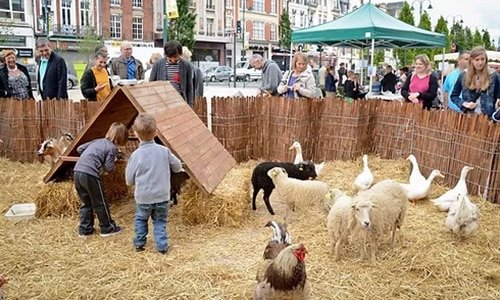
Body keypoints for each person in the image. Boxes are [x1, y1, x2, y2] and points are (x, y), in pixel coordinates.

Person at [125, 113, 182, 254]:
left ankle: (139, 244)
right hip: (162, 196)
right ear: (156, 132)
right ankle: (162, 247)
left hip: (143, 197)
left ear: (135, 134)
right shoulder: (164, 151)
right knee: (160, 222)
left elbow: (129, 180)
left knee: (141, 220)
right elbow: (177, 166)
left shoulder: (136, 155)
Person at [74, 122, 128, 237]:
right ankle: (107, 228)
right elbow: (109, 168)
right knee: (100, 202)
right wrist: (113, 159)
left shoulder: (98, 141)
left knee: (86, 202)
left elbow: (79, 149)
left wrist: (93, 155)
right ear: (121, 137)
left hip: (77, 171)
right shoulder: (112, 148)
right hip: (90, 174)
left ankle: (85, 230)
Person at [451, 46, 500, 118]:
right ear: (471, 60)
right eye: (477, 60)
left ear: (486, 59)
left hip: (488, 119)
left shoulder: (494, 75)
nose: (480, 63)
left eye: (482, 59)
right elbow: (453, 96)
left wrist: (496, 114)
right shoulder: (463, 75)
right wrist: (464, 103)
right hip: (468, 117)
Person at [149, 40, 194, 107]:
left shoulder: (187, 66)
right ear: (166, 55)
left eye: (175, 57)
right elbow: (151, 84)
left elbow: (189, 88)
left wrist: (190, 105)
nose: (173, 60)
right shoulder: (158, 64)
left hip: (180, 102)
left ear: (180, 54)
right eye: (170, 58)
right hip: (162, 102)